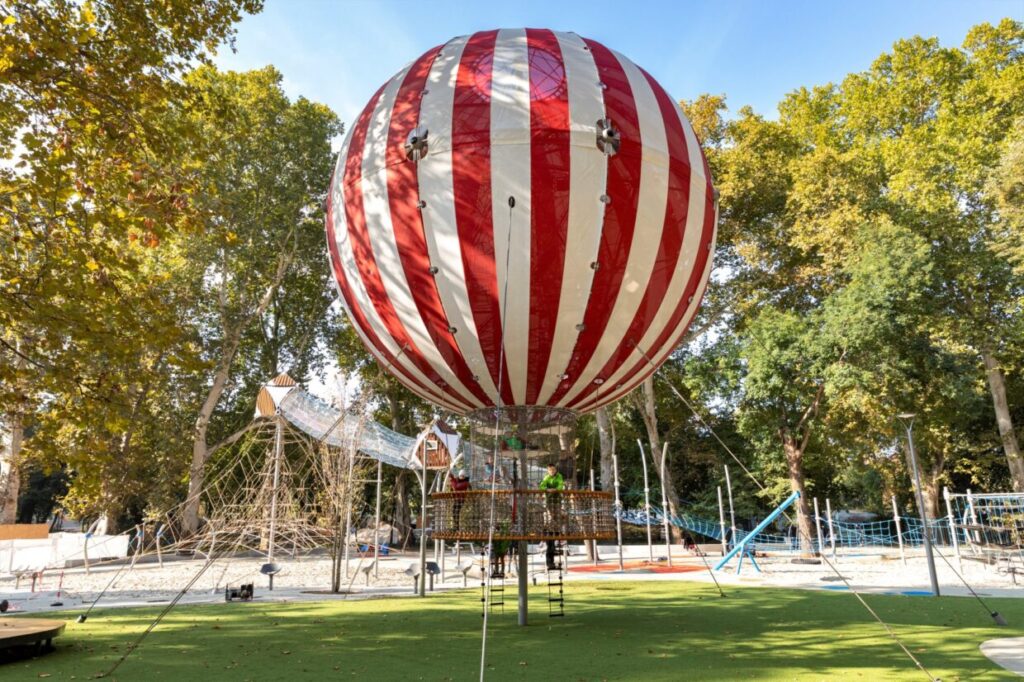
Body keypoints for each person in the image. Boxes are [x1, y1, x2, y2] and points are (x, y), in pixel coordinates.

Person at [538, 464, 564, 569]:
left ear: (556, 470)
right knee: (549, 515)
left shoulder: (559, 476)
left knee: (556, 514)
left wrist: (556, 489)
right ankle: (548, 529)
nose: (552, 471)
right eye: (550, 470)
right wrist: (548, 490)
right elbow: (542, 485)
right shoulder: (546, 477)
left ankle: (557, 530)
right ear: (548, 471)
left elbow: (561, 485)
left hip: (556, 501)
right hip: (549, 500)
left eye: (553, 470)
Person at [448, 468, 471, 532]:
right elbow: (453, 487)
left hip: (460, 500)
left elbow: (456, 487)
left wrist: (452, 479)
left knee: (456, 512)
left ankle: (456, 527)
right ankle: (455, 527)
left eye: (463, 476)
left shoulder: (465, 482)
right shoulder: (457, 480)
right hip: (456, 499)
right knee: (454, 512)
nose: (462, 477)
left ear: (464, 476)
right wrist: (451, 476)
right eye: (460, 476)